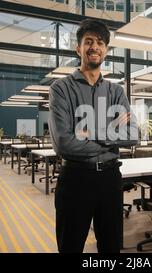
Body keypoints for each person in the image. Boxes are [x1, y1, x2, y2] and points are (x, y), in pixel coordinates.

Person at [48, 19, 138, 253]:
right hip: (75, 179)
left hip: (110, 180)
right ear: (78, 48)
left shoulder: (116, 91)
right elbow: (64, 144)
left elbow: (133, 134)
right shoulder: (60, 89)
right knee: (70, 246)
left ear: (106, 50)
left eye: (100, 42)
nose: (94, 47)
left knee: (111, 248)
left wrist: (90, 133)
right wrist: (111, 133)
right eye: (88, 41)